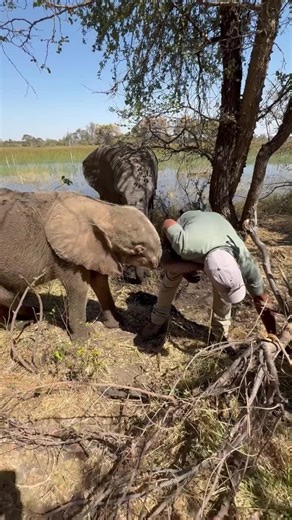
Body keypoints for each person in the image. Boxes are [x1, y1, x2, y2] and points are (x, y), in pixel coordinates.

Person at [141, 210, 276, 341]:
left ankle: (220, 334)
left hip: (217, 222)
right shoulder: (185, 245)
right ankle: (157, 320)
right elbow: (167, 223)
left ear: (237, 265)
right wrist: (172, 250)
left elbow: (262, 300)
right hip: (191, 222)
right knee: (171, 279)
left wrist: (273, 335)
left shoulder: (245, 260)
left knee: (224, 288)